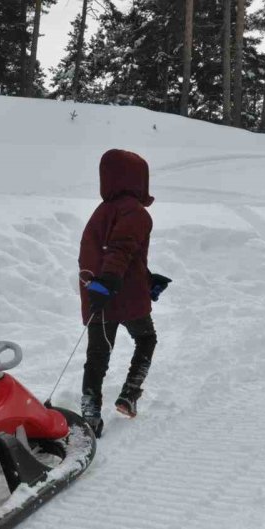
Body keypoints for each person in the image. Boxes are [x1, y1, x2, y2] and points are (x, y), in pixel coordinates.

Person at [78, 149, 171, 437]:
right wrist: (110, 280)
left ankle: (90, 413)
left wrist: (145, 278)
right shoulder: (136, 212)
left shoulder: (102, 211)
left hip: (98, 294)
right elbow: (120, 249)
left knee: (97, 356)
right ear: (137, 179)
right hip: (122, 295)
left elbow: (115, 252)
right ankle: (130, 393)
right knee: (146, 338)